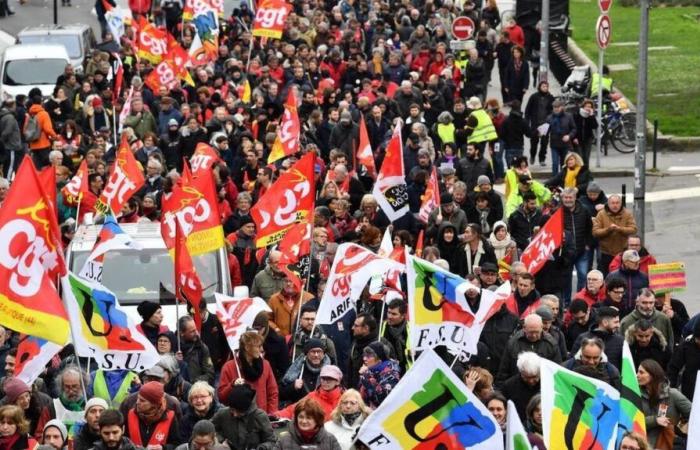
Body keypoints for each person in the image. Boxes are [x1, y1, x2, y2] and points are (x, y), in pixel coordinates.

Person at [218, 331, 279, 414]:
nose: (262, 349)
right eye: (258, 346)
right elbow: (222, 397)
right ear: (247, 347)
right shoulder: (229, 367)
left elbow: (273, 392)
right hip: (238, 419)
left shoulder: (266, 365)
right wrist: (232, 385)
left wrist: (270, 415)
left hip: (260, 418)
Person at [637, 359, 691, 448]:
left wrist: (683, 427)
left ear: (653, 375)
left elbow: (695, 415)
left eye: (641, 372)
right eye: (637, 372)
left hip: (667, 444)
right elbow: (631, 422)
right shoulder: (636, 395)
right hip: (641, 445)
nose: (637, 375)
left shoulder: (673, 394)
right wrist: (655, 420)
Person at [497, 314, 561, 384]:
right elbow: (504, 371)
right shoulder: (513, 343)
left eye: (537, 332)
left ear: (541, 328)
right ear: (524, 328)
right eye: (531, 332)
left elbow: (557, 371)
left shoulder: (551, 344)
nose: (533, 335)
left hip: (542, 387)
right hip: (518, 386)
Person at [211, 384, 275, 450]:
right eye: (232, 410)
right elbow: (208, 430)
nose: (235, 414)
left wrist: (262, 448)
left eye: (239, 411)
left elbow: (272, 441)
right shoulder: (223, 413)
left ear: (246, 409)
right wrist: (221, 441)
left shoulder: (260, 416)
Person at [275, 365, 343, 422]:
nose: (325, 382)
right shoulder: (312, 396)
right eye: (323, 378)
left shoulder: (345, 398)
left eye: (329, 379)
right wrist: (275, 415)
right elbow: (293, 409)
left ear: (338, 382)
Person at [592, 194, 637, 278]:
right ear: (608, 204)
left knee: (623, 277)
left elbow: (633, 229)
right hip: (605, 252)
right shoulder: (601, 214)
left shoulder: (627, 214)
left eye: (617, 203)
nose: (615, 205)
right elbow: (595, 232)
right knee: (605, 277)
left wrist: (620, 229)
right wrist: (608, 230)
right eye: (613, 203)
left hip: (622, 252)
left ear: (621, 204)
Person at [124, 382, 180, 449]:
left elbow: (177, 445)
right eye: (138, 398)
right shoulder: (130, 414)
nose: (137, 402)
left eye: (142, 400)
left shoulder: (170, 417)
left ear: (154, 404)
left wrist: (163, 448)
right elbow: (123, 441)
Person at [347, 313, 394, 389]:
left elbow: (392, 370)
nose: (352, 328)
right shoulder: (355, 343)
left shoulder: (382, 345)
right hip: (357, 393)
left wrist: (371, 369)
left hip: (376, 393)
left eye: (356, 326)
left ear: (366, 328)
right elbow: (350, 370)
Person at [274, 398, 342, 450]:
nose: (304, 421)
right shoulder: (284, 440)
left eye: (308, 418)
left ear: (317, 419)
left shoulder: (330, 440)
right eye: (301, 417)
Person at [280, 339, 331, 404]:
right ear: (307, 354)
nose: (316, 355)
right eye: (313, 352)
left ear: (324, 354)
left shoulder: (331, 371)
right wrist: (293, 387)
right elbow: (280, 394)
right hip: (300, 410)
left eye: (319, 352)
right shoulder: (297, 370)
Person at [572, 306, 624, 370]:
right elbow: (573, 362)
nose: (618, 326)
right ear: (605, 322)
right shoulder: (582, 338)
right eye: (615, 322)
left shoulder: (620, 341)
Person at [499, 352, 540, 422]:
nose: (531, 381)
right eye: (527, 377)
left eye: (534, 377)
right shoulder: (509, 386)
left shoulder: (548, 384)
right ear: (521, 372)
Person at [358, 342, 401, 409]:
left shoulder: (392, 374)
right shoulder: (370, 371)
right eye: (364, 355)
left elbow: (382, 400)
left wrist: (365, 379)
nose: (364, 359)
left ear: (379, 359)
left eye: (368, 356)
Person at [177, 317, 215, 385]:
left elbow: (210, 374)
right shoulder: (172, 346)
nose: (196, 333)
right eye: (192, 331)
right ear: (182, 333)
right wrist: (174, 360)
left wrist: (193, 383)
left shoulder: (201, 348)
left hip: (196, 390)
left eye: (196, 329)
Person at [50, 366, 87, 436]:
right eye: (67, 387)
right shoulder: (53, 407)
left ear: (82, 385)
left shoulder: (90, 405)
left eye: (74, 386)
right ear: (62, 386)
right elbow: (41, 433)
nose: (71, 391)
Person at [668, 321, 700, 400]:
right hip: (690, 390)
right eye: (698, 339)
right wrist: (672, 388)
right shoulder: (686, 346)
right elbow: (673, 367)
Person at [546, 100, 577, 176]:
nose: (556, 109)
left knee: (564, 163)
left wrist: (569, 136)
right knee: (555, 163)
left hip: (565, 144)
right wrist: (541, 133)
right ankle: (554, 180)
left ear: (562, 107)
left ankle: (564, 179)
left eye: (558, 107)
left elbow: (574, 129)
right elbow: (546, 130)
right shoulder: (549, 118)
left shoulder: (568, 116)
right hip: (554, 144)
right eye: (554, 107)